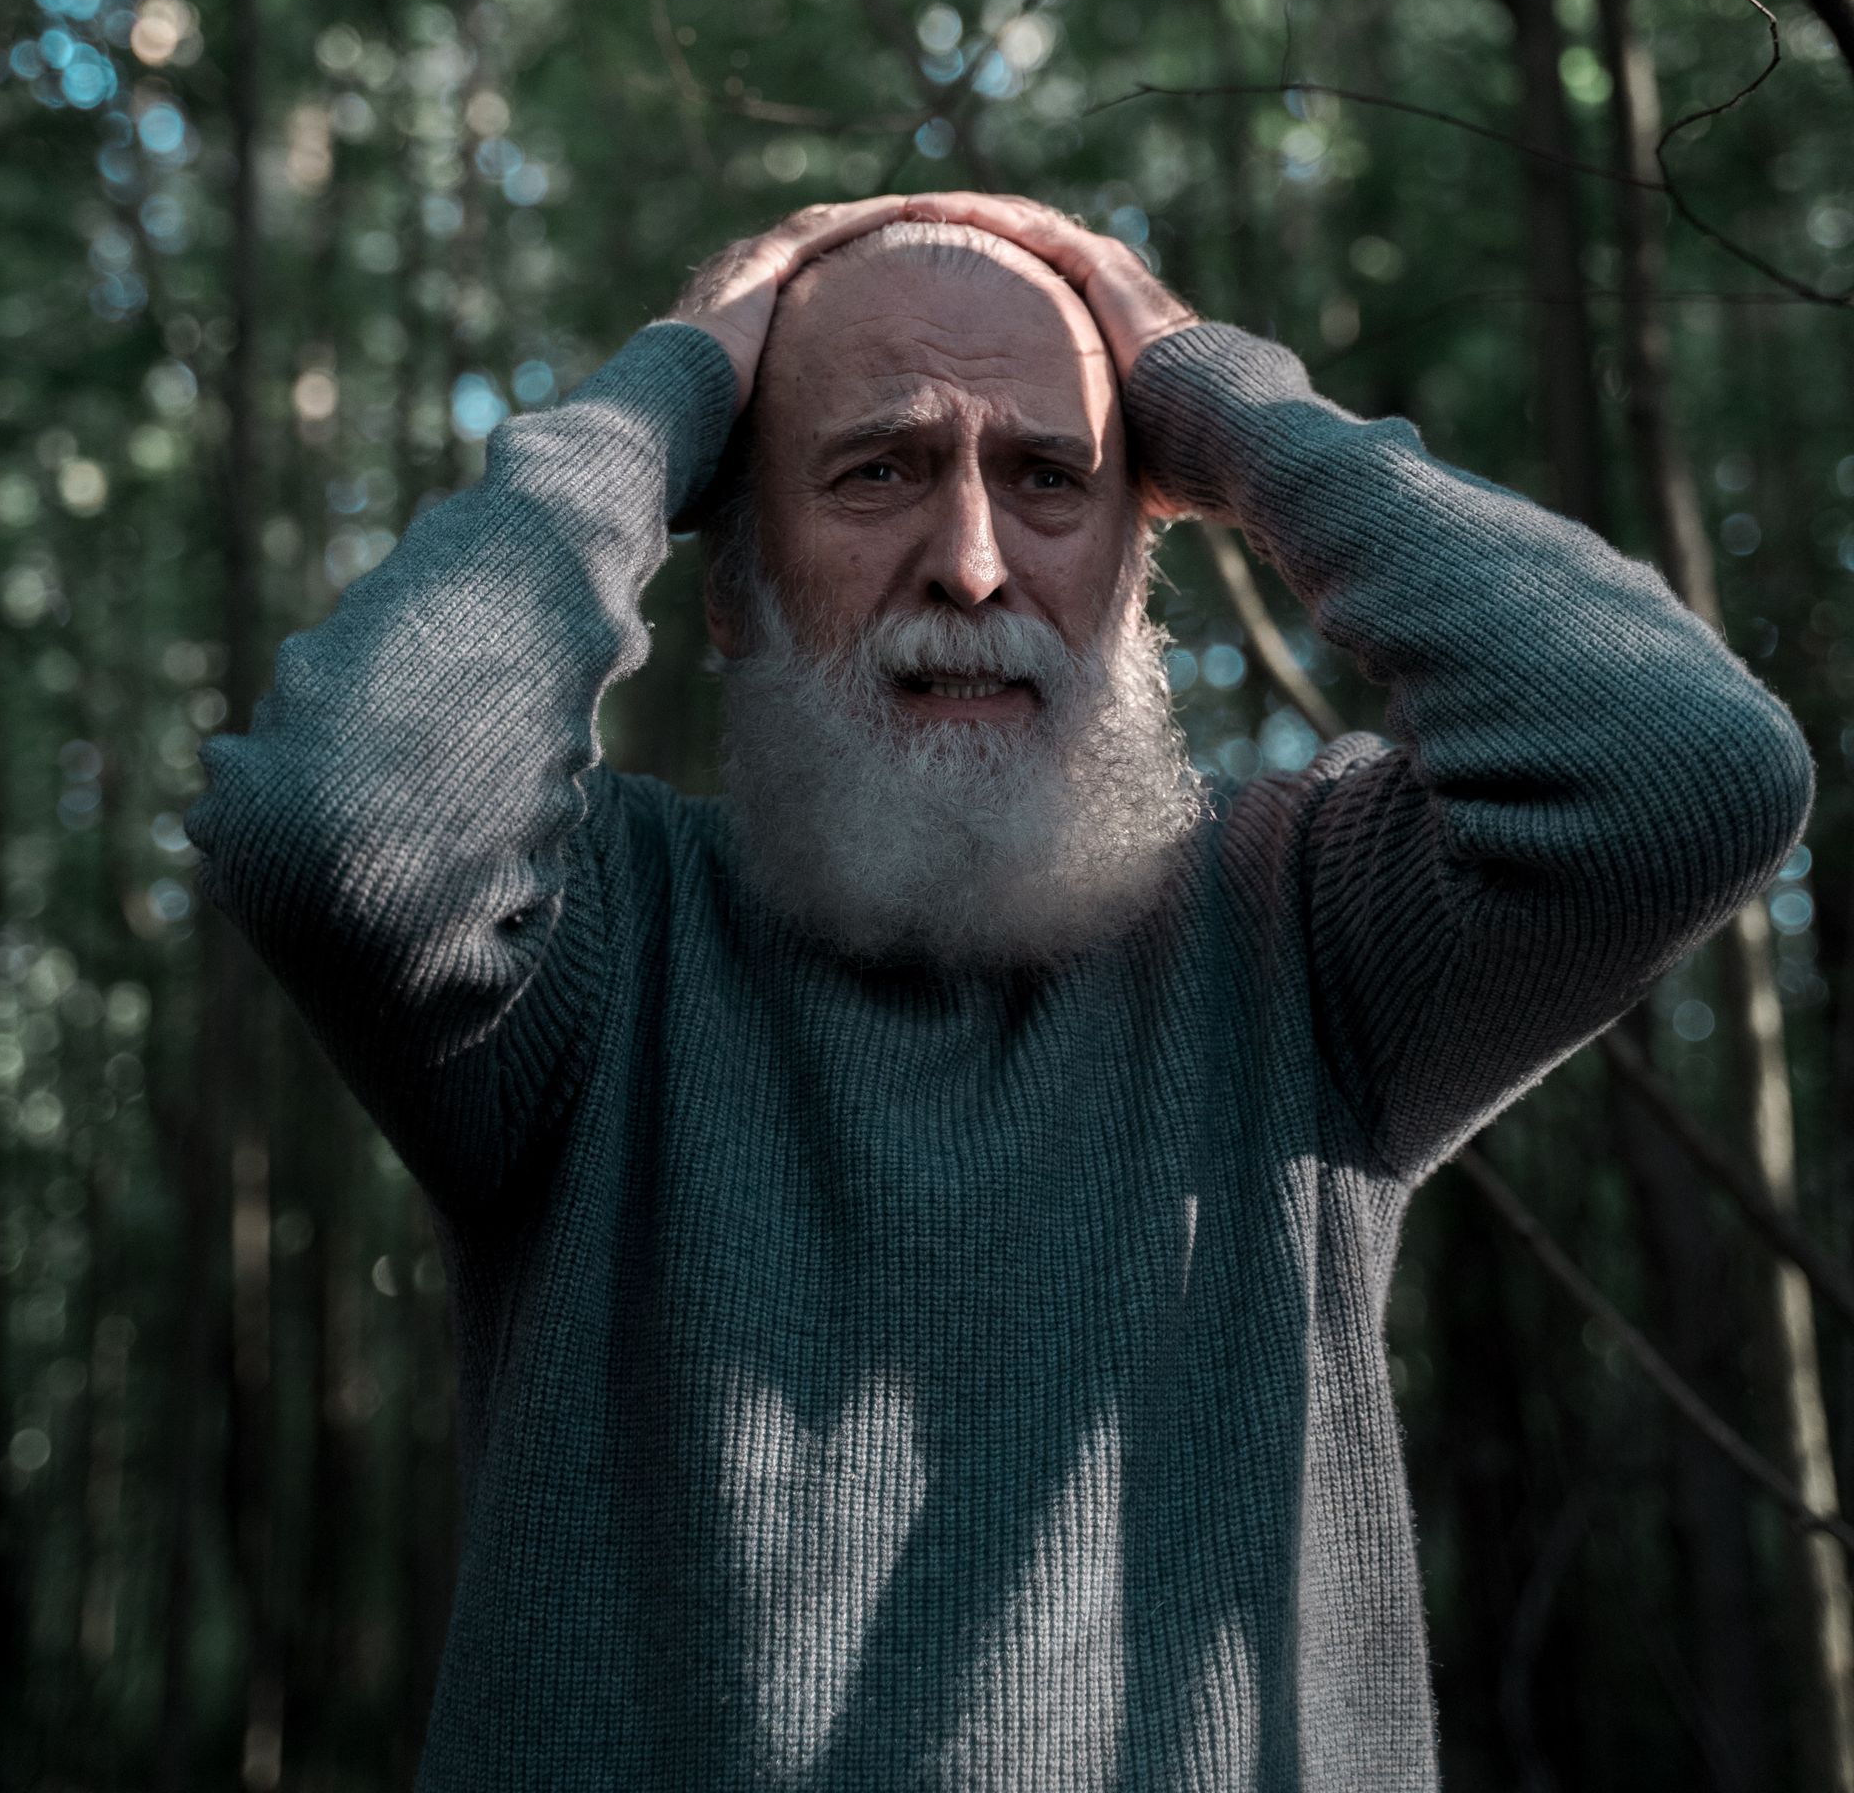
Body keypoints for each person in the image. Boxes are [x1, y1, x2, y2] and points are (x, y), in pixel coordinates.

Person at [189, 190, 1811, 1791]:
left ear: (1134, 574)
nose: (969, 563)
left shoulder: (1303, 939)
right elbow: (344, 824)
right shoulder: (596, 955)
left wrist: (1215, 391)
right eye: (876, 470)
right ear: (736, 582)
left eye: (1051, 480)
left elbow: (1689, 771)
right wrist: (673, 385)